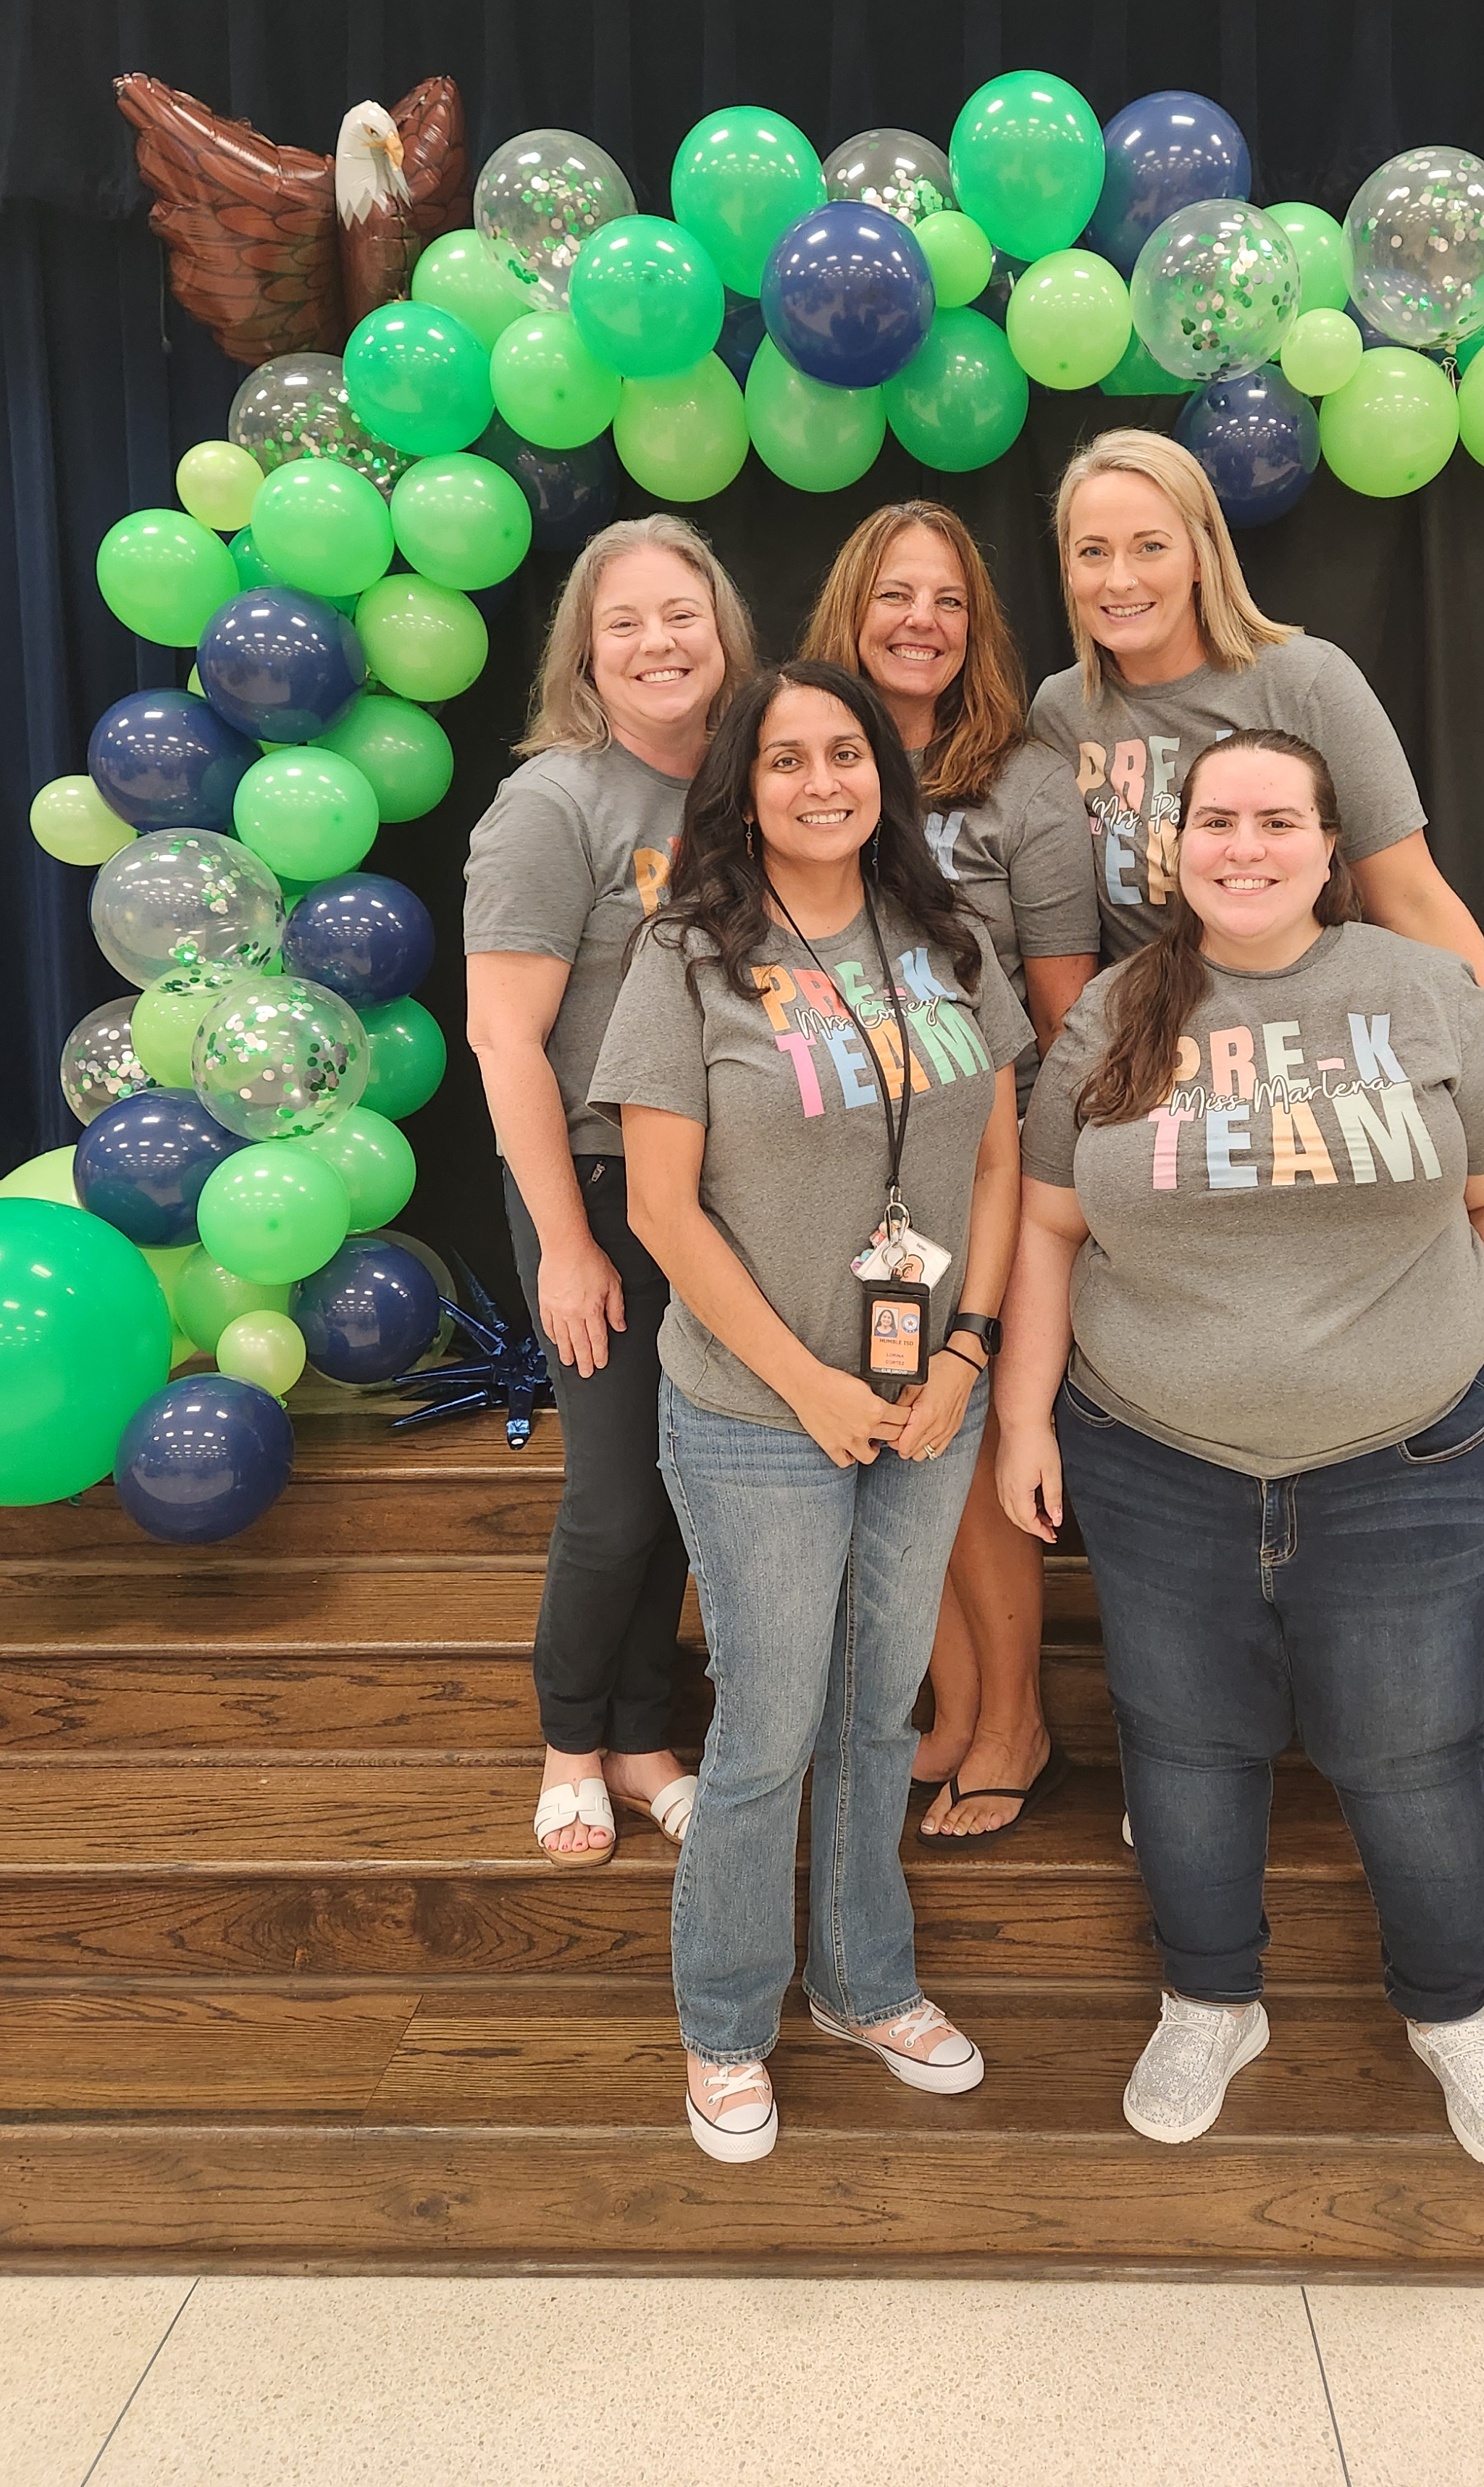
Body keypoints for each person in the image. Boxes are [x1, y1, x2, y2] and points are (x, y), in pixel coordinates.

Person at [999, 727, 1484, 2170]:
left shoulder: (1427, 989)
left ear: (1327, 843)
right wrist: (1019, 1418)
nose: (1247, 845)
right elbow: (1050, 1225)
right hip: (1154, 1455)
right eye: (1219, 821)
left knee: (1415, 1754)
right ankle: (1210, 1997)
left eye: (1280, 819)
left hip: (1408, 1458)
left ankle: (1455, 2015)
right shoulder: (1118, 1006)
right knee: (1185, 1748)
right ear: (1173, 848)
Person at [593, 661, 1031, 2163]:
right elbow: (662, 1207)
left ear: (883, 777)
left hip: (929, 1408)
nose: (824, 780)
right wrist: (814, 1384)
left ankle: (864, 1981)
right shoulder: (688, 952)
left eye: (847, 752)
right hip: (755, 1409)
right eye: (788, 760)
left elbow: (991, 1166)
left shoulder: (948, 936)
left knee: (873, 1710)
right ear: (744, 783)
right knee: (770, 1726)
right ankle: (724, 2021)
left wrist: (964, 1357)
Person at [1028, 426, 1484, 1184]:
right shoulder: (1063, 711)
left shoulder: (1306, 681)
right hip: (1163, 1057)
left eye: (1150, 547)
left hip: (1319, 1049)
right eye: (1092, 551)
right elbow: (1063, 935)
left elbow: (1413, 897)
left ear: (1202, 555)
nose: (1119, 579)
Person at [802, 503, 1099, 1842]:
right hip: (844, 1164)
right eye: (895, 596)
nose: (921, 622)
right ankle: (960, 1708)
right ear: (851, 611)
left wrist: (1035, 1178)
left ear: (976, 630)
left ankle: (1017, 1721)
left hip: (989, 1157)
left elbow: (1062, 1003)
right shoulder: (807, 751)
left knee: (969, 1445)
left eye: (950, 602)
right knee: (901, 1439)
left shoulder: (1025, 782)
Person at [464, 514, 755, 1870]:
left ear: (721, 626)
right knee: (616, 1495)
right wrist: (565, 1246)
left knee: (687, 1481)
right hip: (589, 1179)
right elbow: (505, 1038)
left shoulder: (751, 780)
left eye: (678, 614)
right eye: (624, 621)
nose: (657, 642)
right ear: (587, 649)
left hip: (717, 1176)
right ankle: (570, 1741)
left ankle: (647, 1742)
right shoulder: (554, 803)